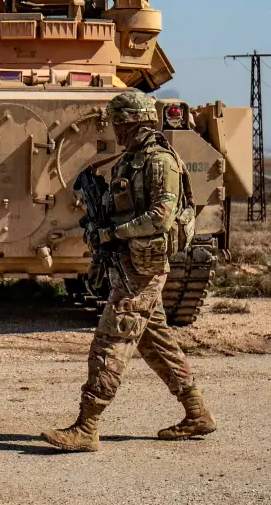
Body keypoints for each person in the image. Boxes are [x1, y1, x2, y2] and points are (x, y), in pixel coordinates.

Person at [41, 89, 216, 453]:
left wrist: (111, 233)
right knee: (157, 344)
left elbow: (160, 218)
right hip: (131, 263)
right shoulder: (131, 159)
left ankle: (87, 426)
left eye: (117, 123)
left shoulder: (157, 161)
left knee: (112, 339)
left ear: (128, 122)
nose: (114, 131)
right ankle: (197, 413)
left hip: (143, 268)